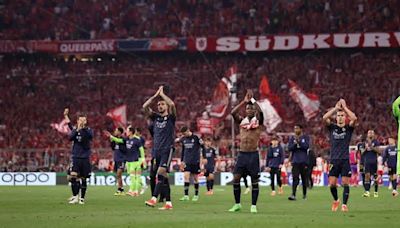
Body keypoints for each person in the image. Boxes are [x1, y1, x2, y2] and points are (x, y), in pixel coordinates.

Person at [228, 90, 264, 213]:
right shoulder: (242, 121)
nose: (249, 110)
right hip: (242, 154)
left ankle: (253, 205)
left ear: (254, 110)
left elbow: (261, 112)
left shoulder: (258, 122)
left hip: (253, 154)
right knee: (236, 178)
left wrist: (253, 100)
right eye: (247, 108)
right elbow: (233, 112)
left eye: (251, 108)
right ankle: (237, 204)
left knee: (254, 181)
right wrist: (243, 102)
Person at [144, 86, 176, 210]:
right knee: (164, 177)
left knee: (160, 173)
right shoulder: (156, 118)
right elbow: (145, 107)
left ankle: (154, 198)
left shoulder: (171, 118)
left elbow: (172, 104)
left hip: (167, 149)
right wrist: (155, 96)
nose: (160, 106)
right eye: (158, 105)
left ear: (166, 106)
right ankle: (168, 203)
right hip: (156, 150)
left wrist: (162, 95)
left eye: (162, 104)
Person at [322, 98, 357, 212]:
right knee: (332, 184)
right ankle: (336, 200)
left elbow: (354, 118)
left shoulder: (348, 129)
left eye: (342, 115)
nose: (341, 117)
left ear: (345, 117)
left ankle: (344, 205)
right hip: (334, 159)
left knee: (345, 183)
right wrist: (336, 108)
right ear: (336, 117)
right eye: (339, 115)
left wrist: (345, 108)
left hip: (345, 159)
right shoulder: (332, 128)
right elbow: (324, 118)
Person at [64, 108, 93, 205]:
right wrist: (65, 116)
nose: (83, 121)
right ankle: (75, 196)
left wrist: (83, 128)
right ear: (78, 121)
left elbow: (90, 137)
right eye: (81, 120)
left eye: (84, 120)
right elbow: (70, 137)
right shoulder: (75, 130)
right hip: (76, 157)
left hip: (85, 158)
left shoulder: (88, 130)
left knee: (84, 178)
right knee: (72, 176)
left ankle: (82, 198)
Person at [106, 126, 146, 196]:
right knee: (132, 177)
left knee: (135, 176)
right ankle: (132, 190)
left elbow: (141, 149)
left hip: (136, 161)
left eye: (127, 131)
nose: (126, 132)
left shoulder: (136, 140)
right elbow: (119, 140)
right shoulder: (126, 139)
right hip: (129, 161)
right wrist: (111, 137)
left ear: (130, 132)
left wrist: (143, 159)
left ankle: (135, 191)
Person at [178, 126, 206, 201]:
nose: (183, 135)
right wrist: (182, 161)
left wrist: (204, 157)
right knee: (186, 176)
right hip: (187, 161)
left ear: (188, 131)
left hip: (195, 161)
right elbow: (183, 150)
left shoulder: (196, 137)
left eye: (184, 133)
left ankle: (196, 195)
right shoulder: (184, 139)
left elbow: (203, 146)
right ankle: (186, 195)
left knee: (195, 178)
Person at [288, 125, 310, 200]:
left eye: (297, 128)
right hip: (295, 161)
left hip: (303, 161)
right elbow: (289, 148)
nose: (295, 130)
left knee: (304, 179)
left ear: (301, 129)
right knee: (295, 178)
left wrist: (299, 142)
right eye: (294, 128)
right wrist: (295, 144)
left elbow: (306, 146)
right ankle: (293, 195)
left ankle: (304, 195)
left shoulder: (305, 137)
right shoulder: (292, 138)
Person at [361, 130, 380, 198]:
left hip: (374, 161)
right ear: (367, 134)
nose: (370, 134)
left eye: (372, 133)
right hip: (367, 161)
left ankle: (376, 191)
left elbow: (379, 151)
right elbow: (361, 153)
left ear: (374, 134)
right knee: (367, 176)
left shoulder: (376, 142)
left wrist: (372, 147)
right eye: (369, 133)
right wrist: (365, 149)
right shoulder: (364, 143)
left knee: (375, 177)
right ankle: (367, 191)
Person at [110, 127, 126, 196]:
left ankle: (120, 189)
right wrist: (112, 141)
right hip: (116, 159)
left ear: (120, 132)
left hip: (121, 159)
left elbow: (124, 150)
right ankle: (120, 189)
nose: (115, 131)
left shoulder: (123, 139)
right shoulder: (115, 139)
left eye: (116, 130)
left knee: (119, 174)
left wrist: (115, 140)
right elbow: (113, 148)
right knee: (118, 175)